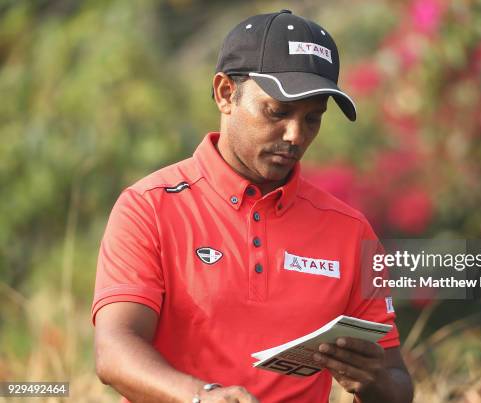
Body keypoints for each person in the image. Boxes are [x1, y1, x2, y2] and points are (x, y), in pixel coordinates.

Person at [92, 9, 413, 403]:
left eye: (313, 119)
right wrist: (201, 397)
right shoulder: (148, 208)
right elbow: (114, 350)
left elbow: (397, 382)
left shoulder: (351, 230)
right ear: (226, 93)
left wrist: (373, 378)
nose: (295, 136)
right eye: (277, 112)